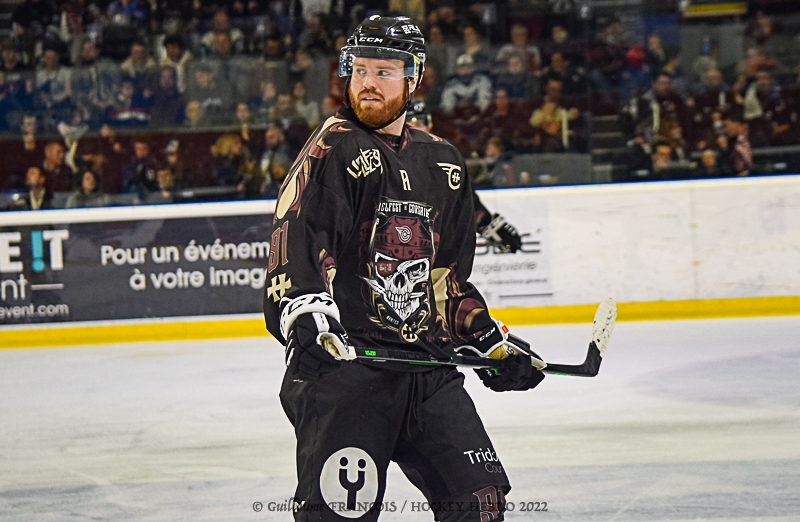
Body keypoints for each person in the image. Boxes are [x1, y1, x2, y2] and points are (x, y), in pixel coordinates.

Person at [263, 16, 543, 522]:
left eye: (385, 71)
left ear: (414, 80)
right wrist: (303, 309)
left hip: (426, 370)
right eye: (360, 69)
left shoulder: (444, 162)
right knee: (338, 516)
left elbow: (447, 283)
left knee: (480, 503)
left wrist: (487, 340)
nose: (368, 82)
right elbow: (301, 236)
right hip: (349, 369)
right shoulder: (335, 146)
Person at [406, 101, 523, 253]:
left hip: (433, 247)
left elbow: (464, 200)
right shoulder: (385, 157)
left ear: (429, 126)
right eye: (408, 124)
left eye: (419, 123)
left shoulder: (445, 159)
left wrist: (486, 223)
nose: (414, 129)